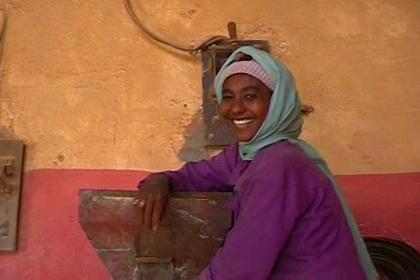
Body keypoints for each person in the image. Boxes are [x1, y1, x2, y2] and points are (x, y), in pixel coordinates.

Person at [135, 46, 378, 279]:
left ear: (277, 103)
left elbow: (240, 268)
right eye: (228, 97)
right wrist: (161, 179)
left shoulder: (281, 166)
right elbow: (195, 176)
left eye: (251, 96)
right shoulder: (247, 155)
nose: (236, 109)